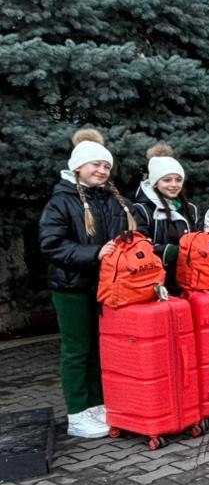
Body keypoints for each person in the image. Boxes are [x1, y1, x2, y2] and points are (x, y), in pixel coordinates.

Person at [39, 129, 135, 438]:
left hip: (106, 287)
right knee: (77, 350)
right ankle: (78, 413)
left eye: (106, 166)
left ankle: (97, 405)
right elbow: (52, 245)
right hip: (72, 287)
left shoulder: (113, 200)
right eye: (95, 164)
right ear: (78, 166)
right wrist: (94, 253)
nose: (101, 170)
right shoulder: (61, 201)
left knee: (98, 349)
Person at [131, 143, 198, 291]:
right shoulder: (142, 210)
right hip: (155, 282)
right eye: (167, 180)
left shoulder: (190, 209)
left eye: (178, 180)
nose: (174, 185)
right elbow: (138, 248)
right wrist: (170, 251)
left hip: (188, 279)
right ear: (155, 183)